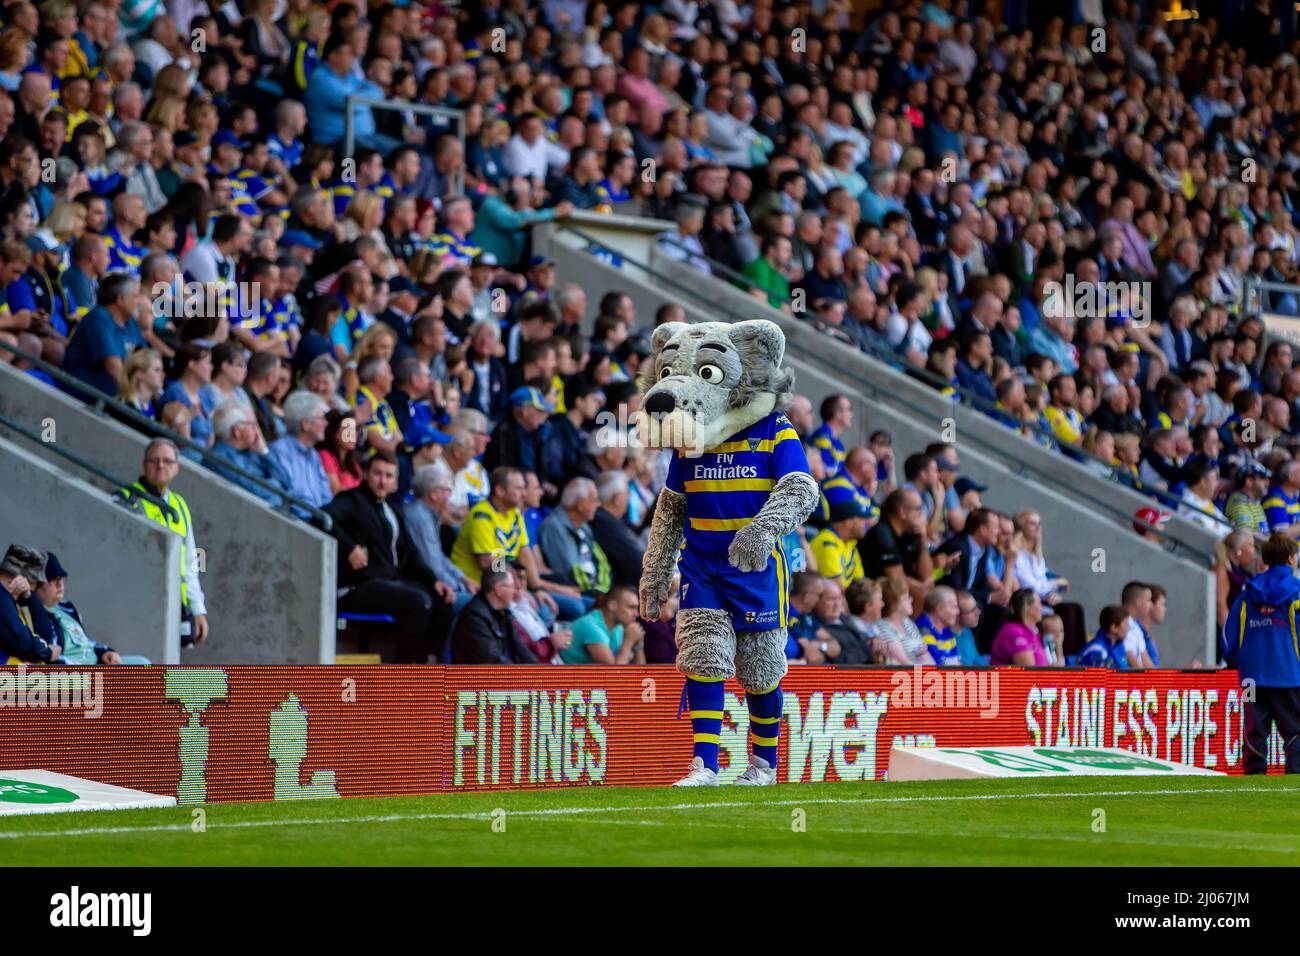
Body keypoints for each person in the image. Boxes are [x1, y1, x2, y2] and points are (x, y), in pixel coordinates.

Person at [323, 450, 453, 662]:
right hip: (358, 585)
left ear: (395, 482)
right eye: (377, 474)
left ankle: (426, 669)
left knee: (442, 600)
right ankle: (402, 675)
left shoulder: (393, 509)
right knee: (417, 601)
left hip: (390, 582)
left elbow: (410, 553)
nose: (382, 481)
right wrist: (350, 548)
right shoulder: (351, 500)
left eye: (389, 476)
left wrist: (434, 580)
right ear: (366, 474)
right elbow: (322, 518)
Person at [114, 438, 207, 645]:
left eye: (167, 461)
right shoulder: (126, 498)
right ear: (144, 465)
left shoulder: (179, 504)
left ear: (177, 468)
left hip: (175, 605)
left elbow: (191, 563)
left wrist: (197, 608)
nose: (160, 466)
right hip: (140, 602)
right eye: (154, 460)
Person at [1222, 533, 1300, 773]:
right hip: (1289, 674)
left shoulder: (1247, 594)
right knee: (1295, 731)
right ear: (1290, 559)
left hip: (1251, 676)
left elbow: (1229, 633)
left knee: (1254, 732)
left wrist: (1235, 660)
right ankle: (1295, 781)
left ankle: (1253, 780)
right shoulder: (1297, 592)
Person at [34, 552, 135, 664]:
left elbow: (84, 642)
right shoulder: (35, 615)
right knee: (147, 677)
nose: (60, 585)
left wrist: (105, 652)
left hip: (97, 662)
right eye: (52, 580)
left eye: (61, 579)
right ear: (36, 585)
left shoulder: (66, 608)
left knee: (143, 664)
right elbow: (50, 657)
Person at [404, 461, 477, 614]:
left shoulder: (513, 517)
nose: (450, 495)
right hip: (439, 584)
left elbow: (438, 556)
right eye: (448, 490)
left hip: (466, 581)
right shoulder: (484, 517)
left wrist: (462, 578)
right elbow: (489, 561)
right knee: (489, 606)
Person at [59, 271, 144, 396]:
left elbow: (146, 361)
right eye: (135, 296)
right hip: (81, 391)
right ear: (120, 299)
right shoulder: (98, 317)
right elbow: (113, 366)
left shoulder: (131, 323)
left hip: (113, 391)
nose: (139, 301)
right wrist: (134, 399)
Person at [537, 477, 611, 596]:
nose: (598, 504)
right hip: (579, 591)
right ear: (580, 505)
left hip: (596, 588)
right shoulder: (554, 528)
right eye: (594, 499)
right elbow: (568, 572)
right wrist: (597, 593)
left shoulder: (584, 526)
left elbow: (601, 562)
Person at [449, 567, 538, 665]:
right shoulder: (474, 618)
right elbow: (494, 663)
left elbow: (521, 649)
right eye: (512, 586)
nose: (514, 591)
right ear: (499, 590)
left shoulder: (503, 612)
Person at [268, 391, 332, 513]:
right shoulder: (280, 451)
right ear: (305, 424)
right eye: (321, 418)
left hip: (317, 523)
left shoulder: (314, 456)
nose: (326, 423)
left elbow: (326, 498)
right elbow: (288, 497)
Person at [0, 544, 60, 663]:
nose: (35, 590)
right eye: (35, 584)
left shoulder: (14, 600)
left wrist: (29, 597)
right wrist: (47, 652)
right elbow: (22, 640)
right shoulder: (2, 597)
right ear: (22, 579)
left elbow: (46, 635)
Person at [560, 584, 644, 664]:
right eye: (631, 608)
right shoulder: (592, 627)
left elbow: (641, 672)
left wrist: (638, 645)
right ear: (612, 605)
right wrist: (628, 642)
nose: (636, 614)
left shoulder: (618, 627)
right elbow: (612, 674)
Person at [808, 495, 868, 588]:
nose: (865, 523)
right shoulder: (827, 543)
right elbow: (838, 590)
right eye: (861, 519)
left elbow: (860, 581)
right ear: (848, 522)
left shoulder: (849, 543)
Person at [874, 574, 932, 665]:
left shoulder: (907, 622)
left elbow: (925, 653)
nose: (911, 600)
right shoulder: (883, 626)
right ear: (894, 604)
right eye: (906, 598)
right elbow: (904, 663)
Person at [989, 588, 1049, 666]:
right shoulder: (1014, 632)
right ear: (1027, 607)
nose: (1042, 607)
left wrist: (1058, 646)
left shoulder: (1032, 631)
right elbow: (1028, 672)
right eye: (1039, 603)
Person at [916, 585, 962, 665]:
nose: (958, 612)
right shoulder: (923, 630)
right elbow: (937, 667)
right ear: (940, 609)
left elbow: (956, 661)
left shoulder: (945, 630)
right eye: (954, 607)